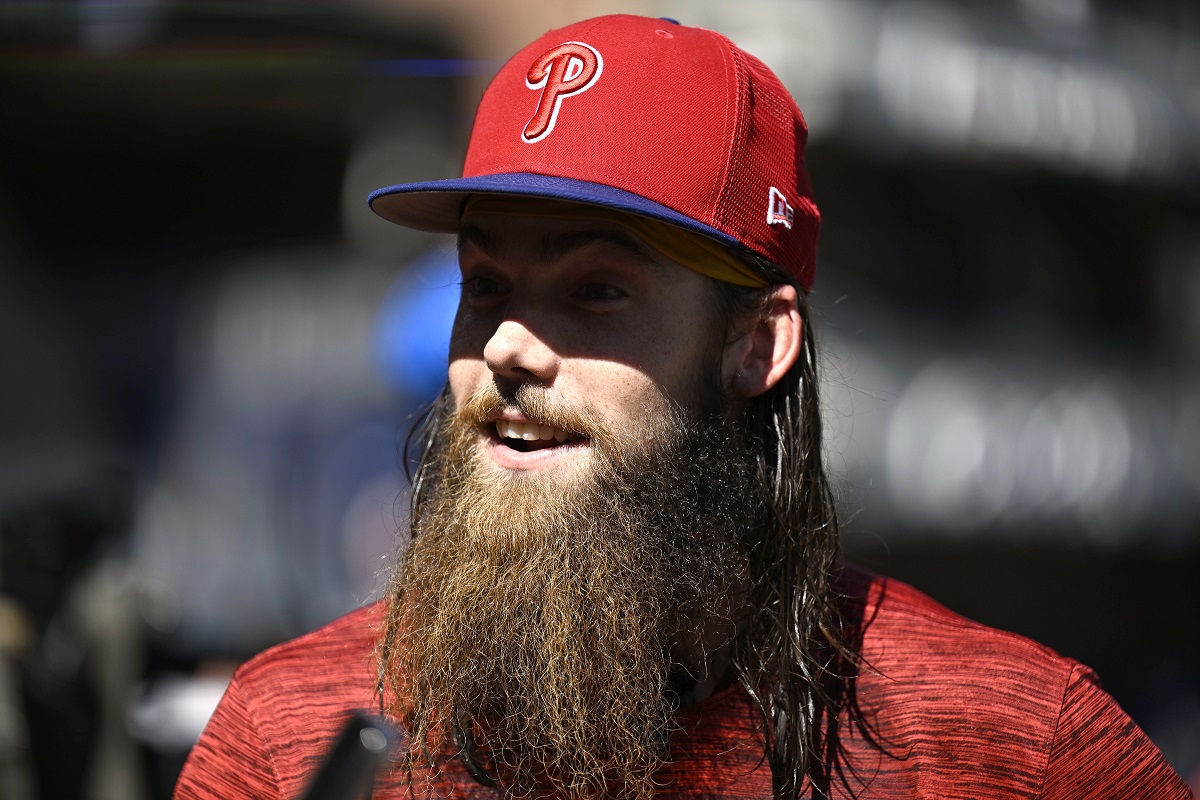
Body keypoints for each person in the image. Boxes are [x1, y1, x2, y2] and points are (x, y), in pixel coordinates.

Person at [174, 14, 1192, 800]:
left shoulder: (1007, 742)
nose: (508, 344)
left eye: (596, 291)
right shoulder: (287, 738)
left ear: (758, 343)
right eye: (483, 284)